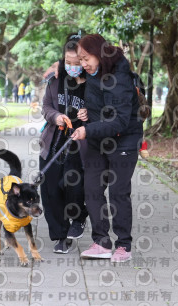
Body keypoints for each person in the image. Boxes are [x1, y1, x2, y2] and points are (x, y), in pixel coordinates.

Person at [71, 34, 143, 263]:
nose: (83, 64)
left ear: (99, 54)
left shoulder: (119, 76)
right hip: (98, 139)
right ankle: (101, 242)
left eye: (86, 58)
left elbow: (119, 120)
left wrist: (87, 130)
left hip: (124, 139)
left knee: (118, 193)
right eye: (80, 60)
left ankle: (124, 245)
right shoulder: (93, 73)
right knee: (92, 189)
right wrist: (87, 113)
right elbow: (99, 105)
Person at [40, 33, 89, 254]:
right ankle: (60, 235)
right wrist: (56, 116)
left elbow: (102, 109)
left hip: (79, 143)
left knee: (72, 184)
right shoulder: (55, 79)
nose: (72, 67)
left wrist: (89, 113)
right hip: (54, 141)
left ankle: (79, 215)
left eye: (77, 63)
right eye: (68, 62)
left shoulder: (93, 82)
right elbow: (46, 107)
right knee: (50, 189)